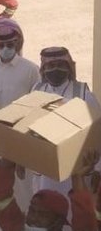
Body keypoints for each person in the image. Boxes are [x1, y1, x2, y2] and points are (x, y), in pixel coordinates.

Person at [0, 18, 41, 231]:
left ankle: (26, 222)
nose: (5, 49)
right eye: (1, 45)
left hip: (21, 134)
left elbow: (38, 102)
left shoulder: (31, 69)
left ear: (18, 44)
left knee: (22, 181)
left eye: (10, 45)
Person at [30, 46, 101, 197]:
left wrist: (98, 169)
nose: (55, 70)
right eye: (50, 66)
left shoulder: (83, 94)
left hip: (75, 168)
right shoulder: (36, 90)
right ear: (43, 68)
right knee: (45, 211)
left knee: (75, 210)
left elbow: (97, 133)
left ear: (68, 68)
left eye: (60, 65)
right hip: (44, 167)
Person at [0, 150, 101, 231]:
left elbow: (85, 220)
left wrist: (9, 156)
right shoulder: (20, 227)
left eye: (42, 214)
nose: (34, 218)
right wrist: (10, 155)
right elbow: (0, 199)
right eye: (32, 210)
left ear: (58, 222)